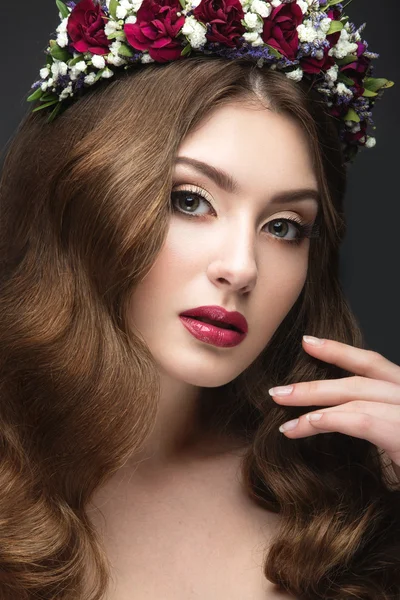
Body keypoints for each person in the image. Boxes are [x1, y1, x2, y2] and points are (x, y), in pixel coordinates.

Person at [0, 0, 399, 599]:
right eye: (191, 200)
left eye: (285, 226)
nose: (240, 268)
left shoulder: (345, 501)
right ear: (84, 201)